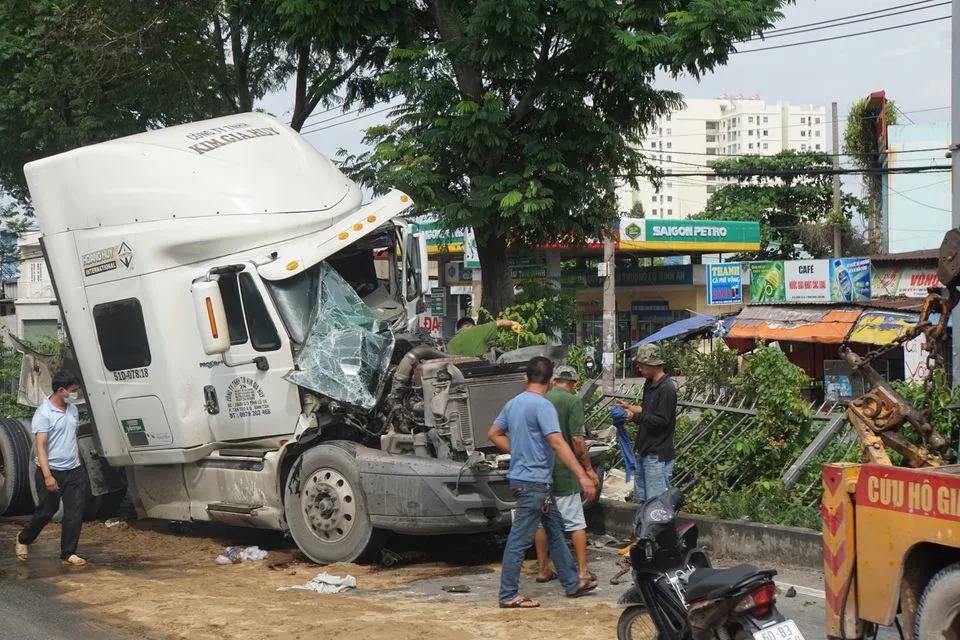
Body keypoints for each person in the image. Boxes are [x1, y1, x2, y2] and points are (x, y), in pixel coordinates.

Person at [488, 357, 598, 609]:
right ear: (551, 381)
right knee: (519, 539)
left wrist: (518, 451)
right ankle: (508, 594)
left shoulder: (514, 404)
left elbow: (493, 433)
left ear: (526, 378)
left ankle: (573, 582)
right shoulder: (543, 405)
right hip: (533, 483)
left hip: (528, 481)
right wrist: (582, 474)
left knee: (555, 530)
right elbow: (558, 442)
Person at [16, 371, 89, 567]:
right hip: (51, 471)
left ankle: (68, 553)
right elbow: (40, 446)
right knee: (47, 511)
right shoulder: (44, 413)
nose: (76, 394)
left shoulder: (72, 409)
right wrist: (48, 476)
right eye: (73, 391)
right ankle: (23, 539)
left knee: (75, 513)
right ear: (61, 390)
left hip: (74, 470)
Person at [533, 365, 598, 585]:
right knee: (576, 523)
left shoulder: (540, 399)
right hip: (565, 470)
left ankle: (543, 569)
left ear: (554, 381)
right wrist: (588, 469)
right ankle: (581, 572)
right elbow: (578, 441)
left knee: (542, 522)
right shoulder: (572, 401)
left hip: (541, 471)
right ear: (572, 384)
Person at [615, 344, 678, 504]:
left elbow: (661, 421)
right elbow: (647, 410)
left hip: (657, 455)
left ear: (652, 365)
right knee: (643, 501)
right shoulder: (650, 384)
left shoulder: (667, 389)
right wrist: (630, 409)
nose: (639, 368)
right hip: (644, 450)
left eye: (641, 365)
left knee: (657, 504)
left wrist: (634, 417)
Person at [446, 317, 520, 357]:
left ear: (459, 328)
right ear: (472, 325)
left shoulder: (450, 344)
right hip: (481, 370)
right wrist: (513, 323)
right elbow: (500, 323)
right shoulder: (477, 330)